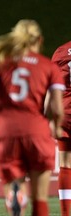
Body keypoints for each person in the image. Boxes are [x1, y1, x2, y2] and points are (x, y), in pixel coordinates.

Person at [0, 19, 65, 216]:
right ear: (39, 40)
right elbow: (56, 107)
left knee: (13, 185)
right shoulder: (48, 66)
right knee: (40, 198)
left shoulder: (1, 62)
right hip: (36, 130)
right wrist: (56, 125)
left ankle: (16, 197)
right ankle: (27, 200)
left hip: (5, 131)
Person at [51, 41, 71, 216]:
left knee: (65, 164)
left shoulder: (61, 50)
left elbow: (52, 87)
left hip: (66, 114)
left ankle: (66, 214)